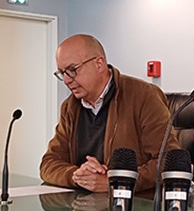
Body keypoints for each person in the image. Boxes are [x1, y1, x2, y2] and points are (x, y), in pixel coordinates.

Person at [40, 34, 177, 193]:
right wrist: (77, 176)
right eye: (62, 73)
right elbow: (49, 163)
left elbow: (169, 160)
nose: (67, 80)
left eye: (72, 70)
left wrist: (114, 182)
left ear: (99, 64)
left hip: (136, 207)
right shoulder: (70, 107)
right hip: (82, 207)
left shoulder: (144, 95)